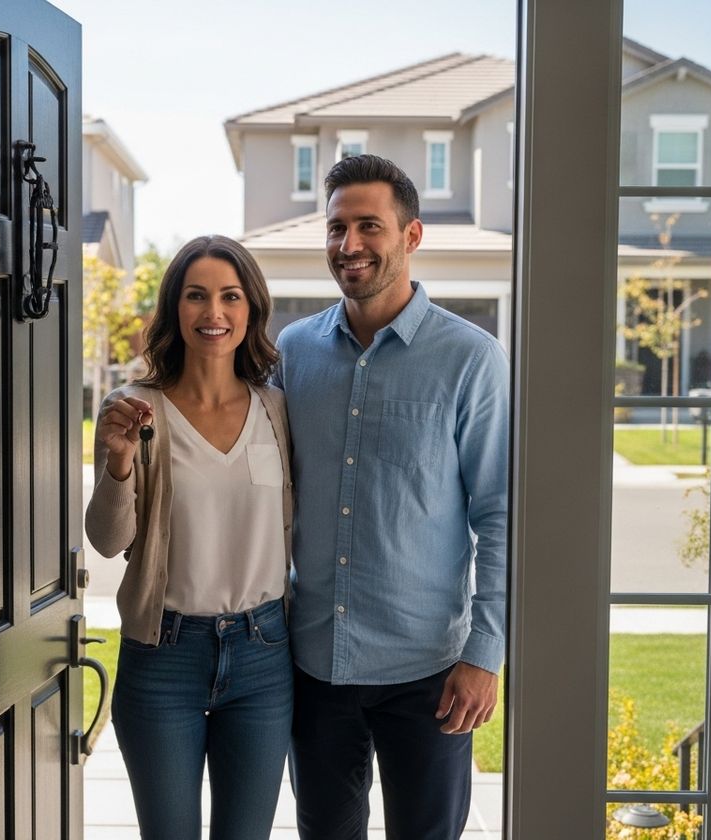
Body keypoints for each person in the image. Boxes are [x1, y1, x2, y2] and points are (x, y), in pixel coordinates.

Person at [275, 154, 509, 839]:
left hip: (430, 673)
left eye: (368, 225)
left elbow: (498, 515)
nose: (349, 245)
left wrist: (484, 653)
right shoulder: (292, 352)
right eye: (336, 227)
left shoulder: (471, 359)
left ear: (411, 236)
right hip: (315, 663)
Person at [84, 234, 294, 840]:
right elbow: (106, 539)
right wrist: (119, 464)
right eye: (196, 296)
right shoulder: (133, 410)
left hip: (263, 653)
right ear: (175, 308)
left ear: (250, 308)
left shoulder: (276, 408)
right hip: (162, 655)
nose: (214, 312)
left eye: (230, 296)